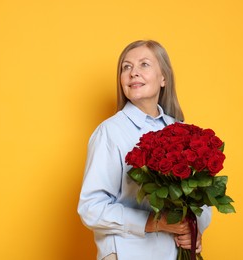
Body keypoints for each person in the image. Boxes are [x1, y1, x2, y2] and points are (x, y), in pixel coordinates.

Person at [77, 40, 212, 260]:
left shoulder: (182, 131)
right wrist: (153, 222)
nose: (133, 73)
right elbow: (91, 208)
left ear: (163, 78)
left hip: (174, 253)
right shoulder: (110, 132)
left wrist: (194, 230)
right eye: (126, 67)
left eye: (144, 64)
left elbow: (202, 202)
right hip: (127, 253)